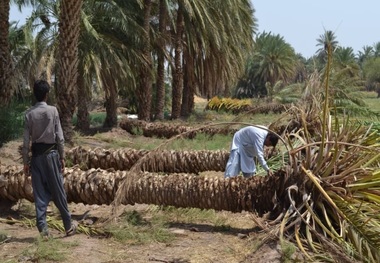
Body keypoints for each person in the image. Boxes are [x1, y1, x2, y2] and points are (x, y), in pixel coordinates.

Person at [22, 80, 76, 238]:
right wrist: (62, 156)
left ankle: (43, 230)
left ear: (35, 94)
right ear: (47, 94)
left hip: (36, 158)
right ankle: (68, 226)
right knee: (58, 191)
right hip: (52, 156)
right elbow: (60, 137)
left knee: (39, 194)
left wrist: (26, 162)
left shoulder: (29, 114)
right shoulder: (53, 111)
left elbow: (26, 143)